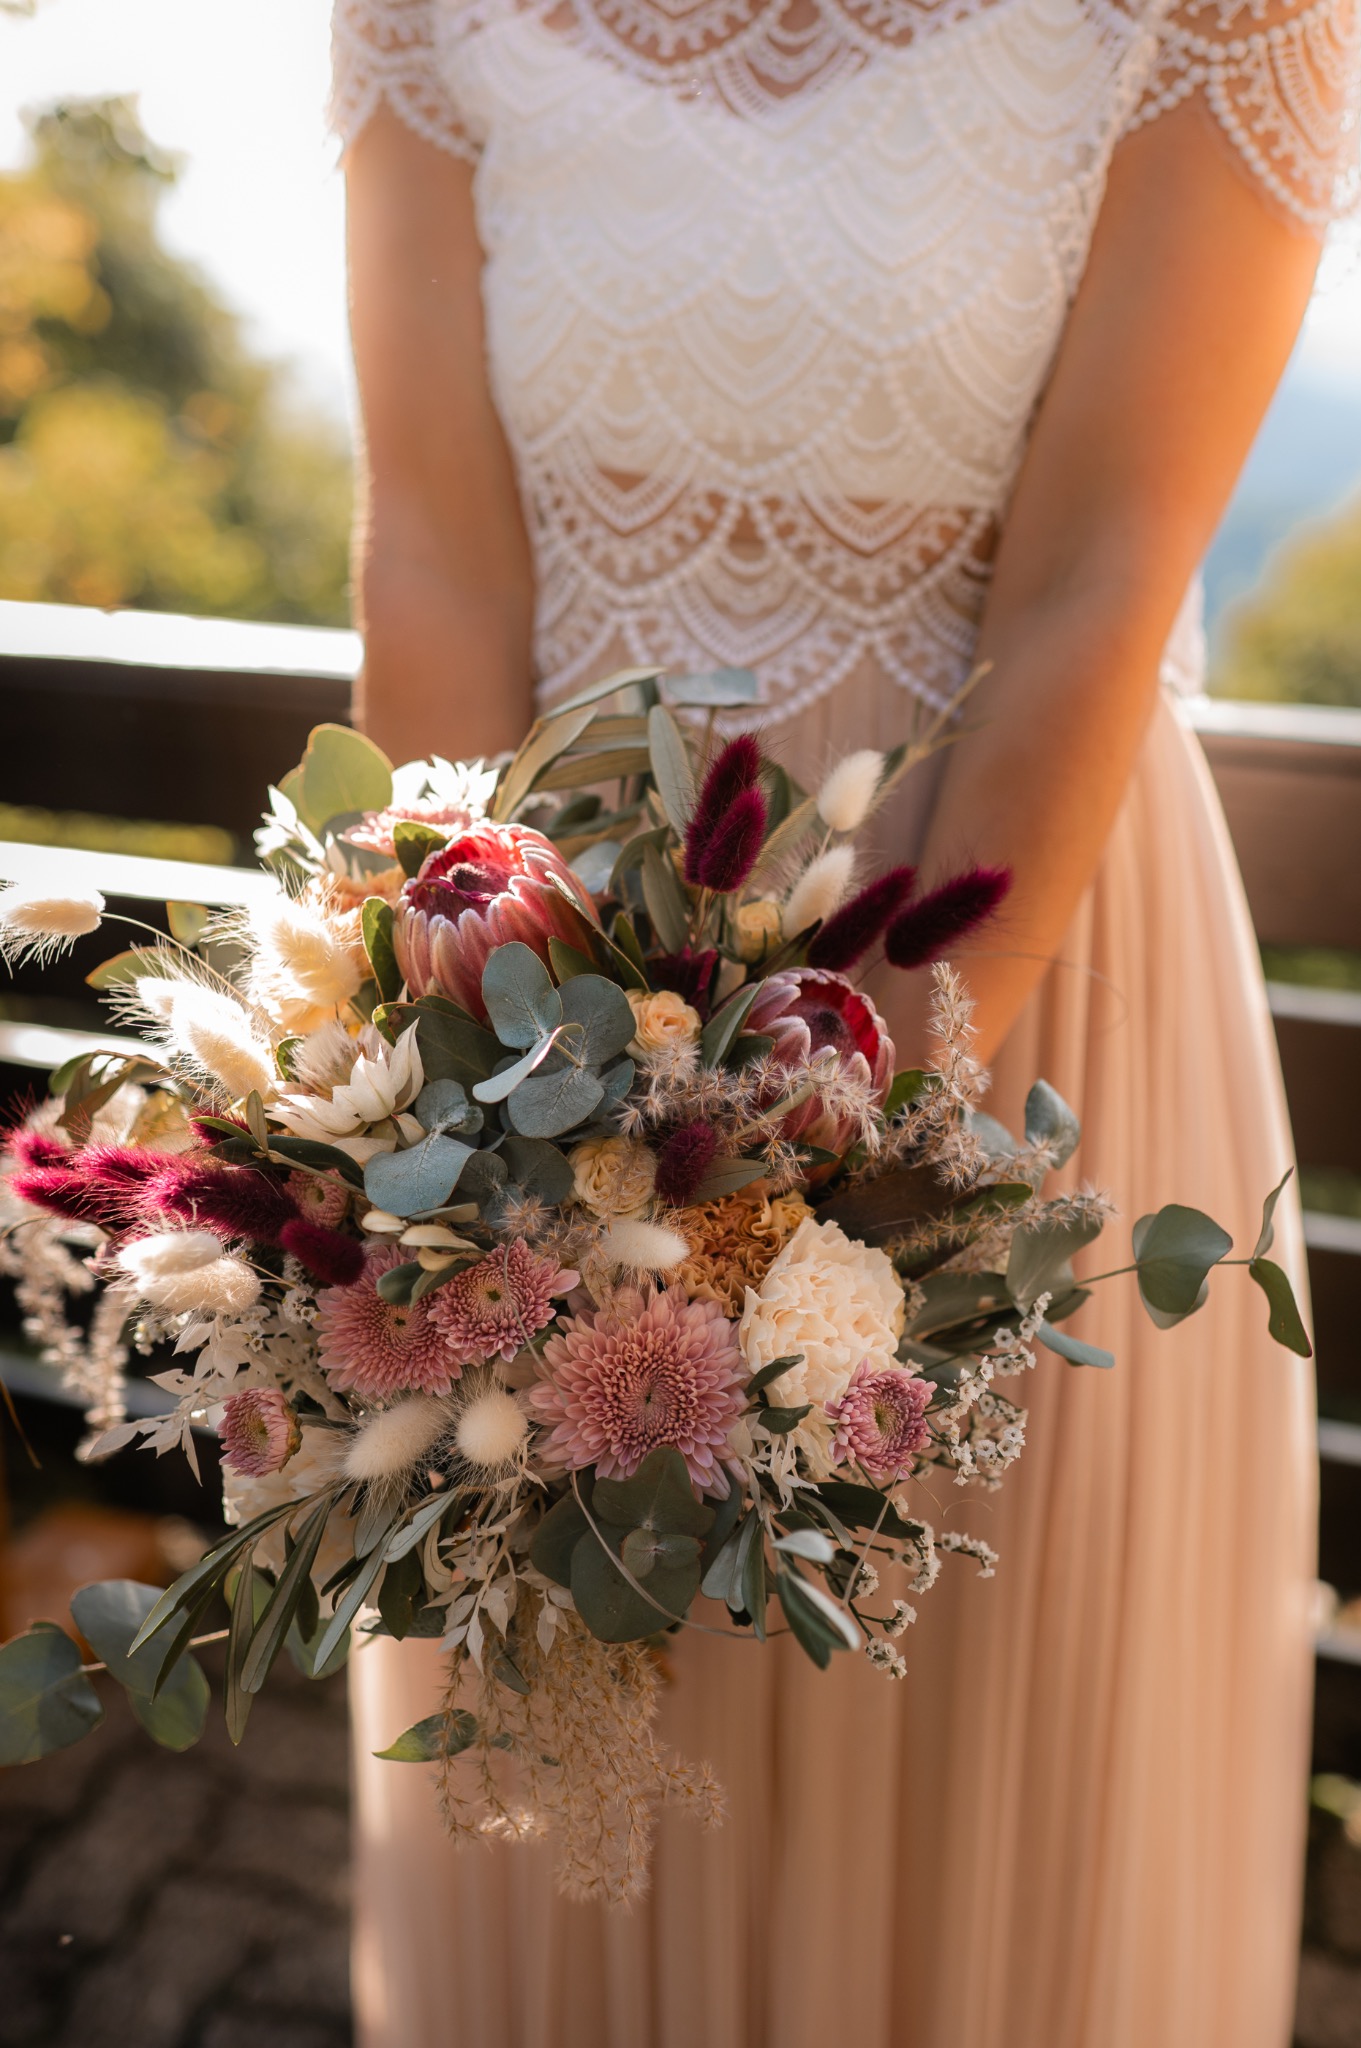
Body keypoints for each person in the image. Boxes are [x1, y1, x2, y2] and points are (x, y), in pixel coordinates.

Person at [329, 0, 1357, 2040]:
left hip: (1005, 995)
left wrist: (832, 1185)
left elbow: (1094, 580)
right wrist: (451, 1107)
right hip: (541, 1002)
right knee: (570, 1743)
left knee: (965, 1816)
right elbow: (433, 550)